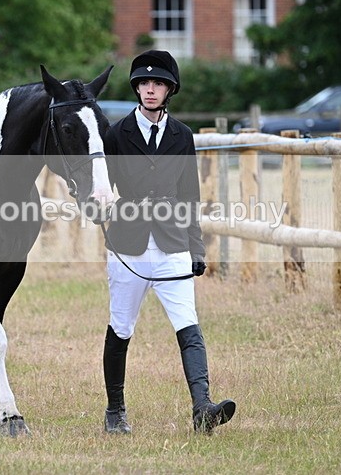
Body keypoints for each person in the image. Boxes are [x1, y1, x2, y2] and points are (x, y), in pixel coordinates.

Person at [101, 50, 236, 435]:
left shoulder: (182, 136)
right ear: (136, 88)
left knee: (189, 327)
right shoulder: (116, 134)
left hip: (172, 244)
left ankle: (202, 408)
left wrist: (196, 248)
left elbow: (189, 195)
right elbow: (100, 185)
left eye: (157, 83)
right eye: (143, 83)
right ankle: (115, 410)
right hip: (128, 247)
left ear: (169, 89)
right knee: (121, 328)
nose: (149, 89)